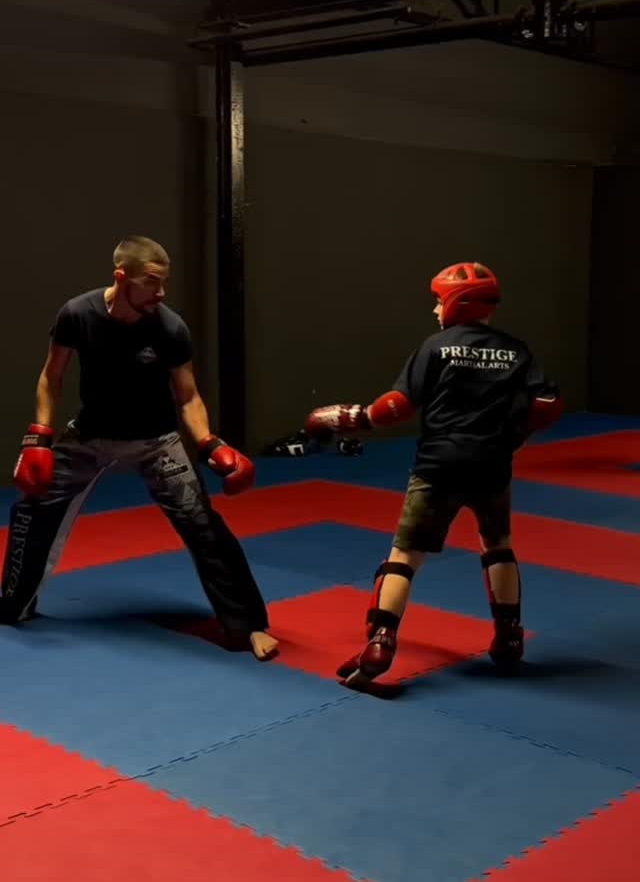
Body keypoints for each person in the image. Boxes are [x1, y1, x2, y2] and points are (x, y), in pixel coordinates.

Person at [1, 236, 278, 661]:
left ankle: (250, 624)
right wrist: (39, 433)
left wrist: (208, 442)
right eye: (152, 283)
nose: (161, 293)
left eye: (164, 283)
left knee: (202, 523)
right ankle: (13, 604)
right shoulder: (77, 314)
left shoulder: (169, 328)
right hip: (90, 435)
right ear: (121, 277)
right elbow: (51, 375)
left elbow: (187, 396)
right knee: (32, 508)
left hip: (155, 441)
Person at [305, 261, 563, 686]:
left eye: (437, 301)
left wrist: (348, 417)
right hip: (493, 464)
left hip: (438, 464)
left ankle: (380, 641)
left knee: (404, 554)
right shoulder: (517, 351)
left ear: (455, 303)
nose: (434, 310)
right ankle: (510, 637)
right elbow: (548, 404)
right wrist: (515, 435)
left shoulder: (436, 347)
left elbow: (396, 408)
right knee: (497, 545)